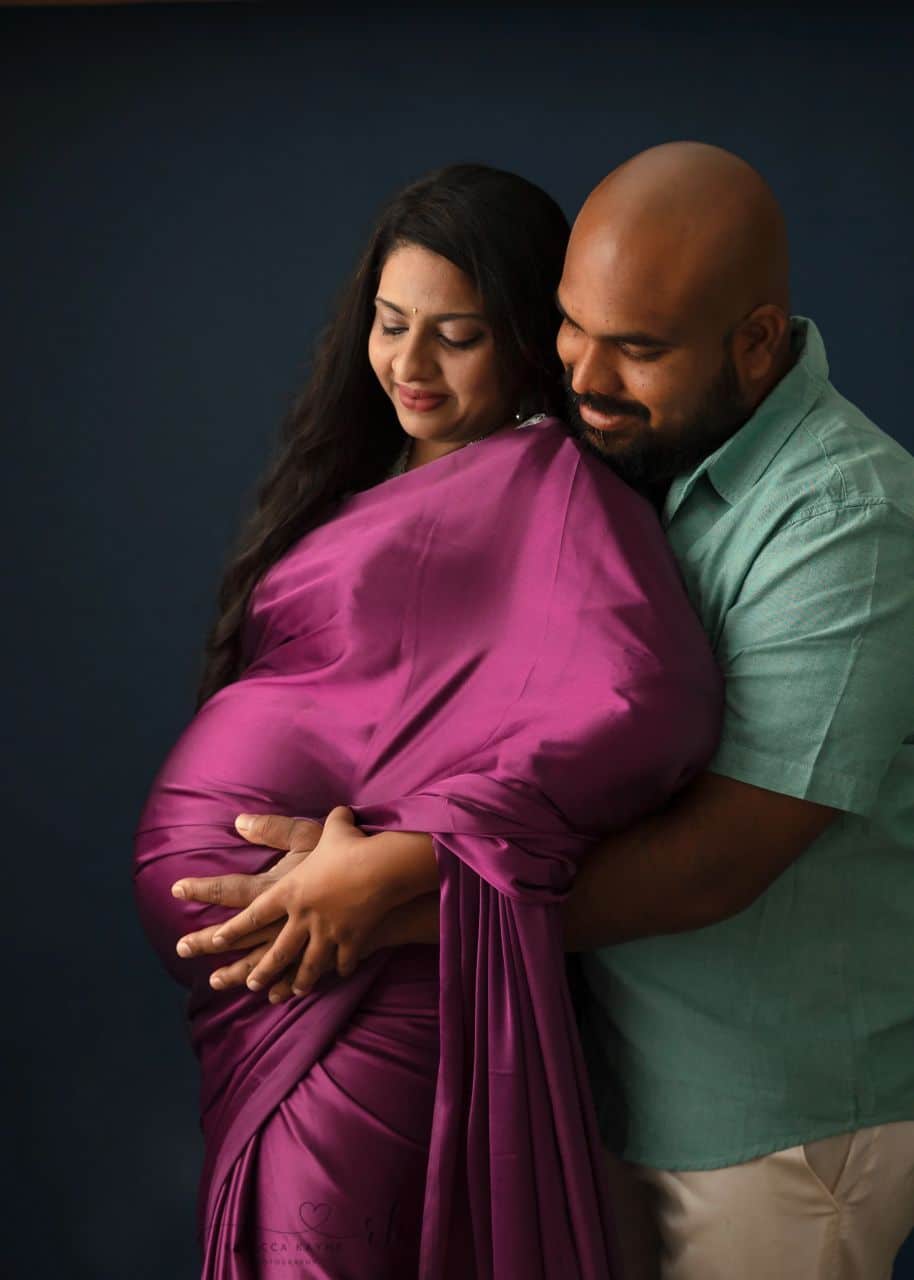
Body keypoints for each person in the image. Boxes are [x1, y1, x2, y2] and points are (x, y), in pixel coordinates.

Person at [182, 142, 914, 1280]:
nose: (582, 373)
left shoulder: (842, 520)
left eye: (637, 348)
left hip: (767, 1123)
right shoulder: (632, 454)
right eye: (571, 326)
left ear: (757, 340)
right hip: (599, 1074)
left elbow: (719, 858)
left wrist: (396, 891)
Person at [133, 162, 722, 1280]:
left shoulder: (551, 484)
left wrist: (406, 851)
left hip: (380, 983)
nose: (408, 364)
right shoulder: (371, 468)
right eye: (391, 323)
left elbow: (650, 699)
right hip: (283, 996)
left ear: (526, 335)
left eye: (453, 334)